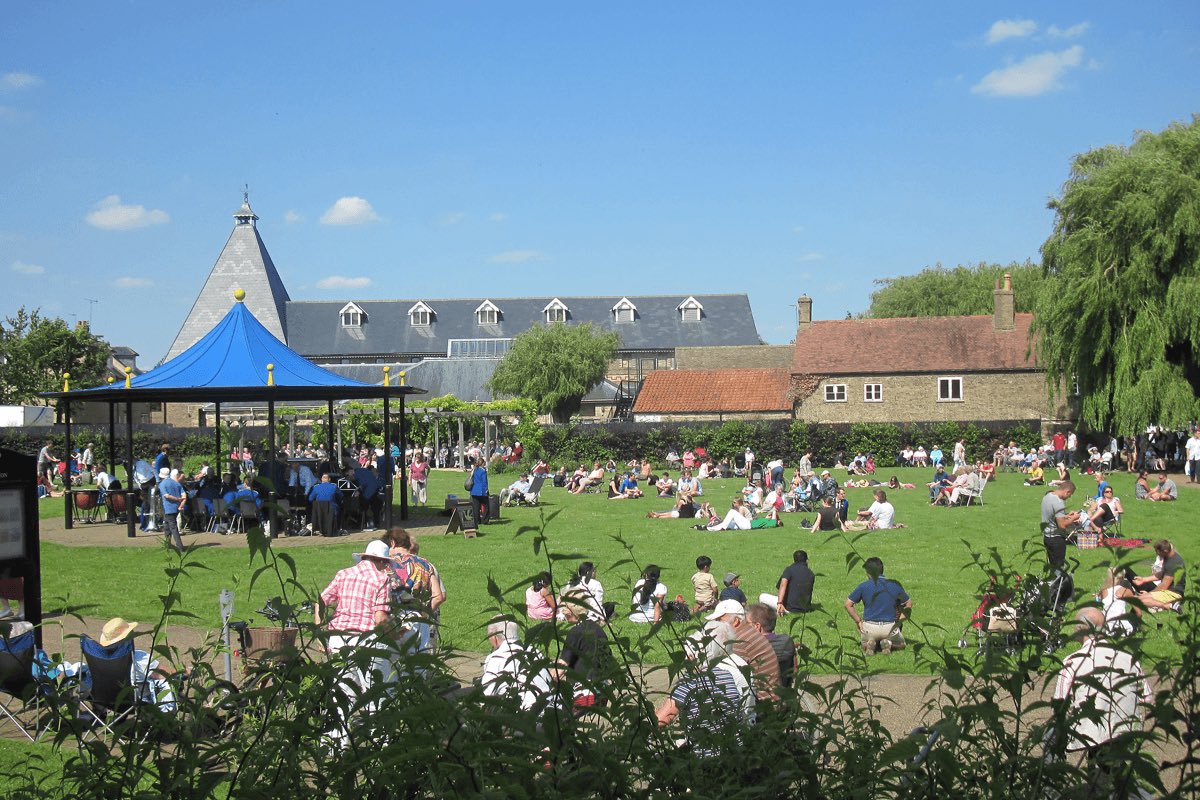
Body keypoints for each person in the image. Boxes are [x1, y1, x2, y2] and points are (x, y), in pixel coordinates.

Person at [1050, 607, 1150, 790]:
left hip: (1091, 731)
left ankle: (1050, 784)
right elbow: (1147, 698)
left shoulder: (1073, 662)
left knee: (1050, 736)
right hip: (1125, 728)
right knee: (1115, 770)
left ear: (1080, 629)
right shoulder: (1129, 657)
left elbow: (1060, 704)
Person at [315, 540, 393, 745]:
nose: (387, 567)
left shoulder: (343, 574)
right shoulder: (381, 580)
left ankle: (336, 745)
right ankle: (381, 743)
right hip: (368, 641)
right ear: (381, 561)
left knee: (342, 694)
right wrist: (394, 633)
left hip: (339, 638)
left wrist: (320, 632)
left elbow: (321, 601)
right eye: (386, 563)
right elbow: (380, 618)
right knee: (375, 693)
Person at [654, 623, 754, 758]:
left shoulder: (691, 680)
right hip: (731, 752)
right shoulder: (727, 676)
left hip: (703, 757)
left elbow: (661, 720)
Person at [90, 617, 176, 711]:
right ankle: (166, 717)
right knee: (164, 681)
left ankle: (100, 714)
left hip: (102, 699)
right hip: (132, 701)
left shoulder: (98, 657)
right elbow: (163, 673)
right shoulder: (138, 658)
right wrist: (188, 671)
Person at [705, 599, 780, 702]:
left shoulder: (739, 642)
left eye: (719, 620)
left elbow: (728, 676)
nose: (716, 625)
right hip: (772, 697)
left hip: (763, 704)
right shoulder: (748, 633)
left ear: (736, 621)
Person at [554, 595, 615, 714]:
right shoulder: (598, 629)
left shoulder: (575, 632)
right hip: (602, 690)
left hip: (584, 693)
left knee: (558, 716)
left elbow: (560, 669)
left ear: (570, 612)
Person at [386, 528, 444, 654]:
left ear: (393, 543)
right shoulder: (425, 564)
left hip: (393, 622)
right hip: (418, 622)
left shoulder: (387, 564)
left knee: (392, 666)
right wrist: (423, 614)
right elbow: (438, 596)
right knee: (418, 666)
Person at [480, 619, 553, 712]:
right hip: (550, 711)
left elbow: (488, 698)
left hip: (523, 715)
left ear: (494, 638)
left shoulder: (495, 658)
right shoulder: (535, 652)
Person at [844, 557, 912, 656]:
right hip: (889, 628)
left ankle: (869, 645)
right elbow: (909, 604)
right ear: (882, 569)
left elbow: (848, 604)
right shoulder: (894, 585)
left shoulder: (863, 586)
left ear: (867, 572)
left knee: (863, 638)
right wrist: (899, 621)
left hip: (870, 628)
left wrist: (858, 621)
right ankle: (888, 643)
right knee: (902, 644)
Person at [746, 603, 798, 689]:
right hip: (784, 693)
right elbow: (795, 670)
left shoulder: (751, 647)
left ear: (756, 626)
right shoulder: (787, 642)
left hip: (758, 697)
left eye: (746, 623)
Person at [1040, 481, 1081, 569]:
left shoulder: (1047, 496)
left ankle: (1052, 582)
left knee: (1052, 566)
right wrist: (1074, 518)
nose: (1068, 498)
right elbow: (1062, 525)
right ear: (1067, 491)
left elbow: (1053, 516)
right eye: (1069, 495)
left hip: (1047, 537)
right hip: (1056, 539)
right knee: (1058, 568)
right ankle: (1058, 582)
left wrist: (1066, 516)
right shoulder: (1058, 502)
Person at [1136, 539, 1185, 612]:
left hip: (1173, 593)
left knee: (1138, 600)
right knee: (1138, 598)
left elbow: (1164, 585)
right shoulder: (1168, 557)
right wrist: (1144, 579)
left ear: (1165, 551)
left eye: (1158, 552)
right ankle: (1170, 605)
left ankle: (1170, 605)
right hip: (1167, 591)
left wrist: (1149, 594)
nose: (1157, 554)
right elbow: (1162, 574)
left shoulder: (1173, 563)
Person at [1096, 568, 1139, 636]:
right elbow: (1139, 613)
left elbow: (1098, 603)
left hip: (1107, 629)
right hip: (1123, 629)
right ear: (1122, 577)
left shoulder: (1103, 591)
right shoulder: (1126, 591)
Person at [776, 550, 815, 615]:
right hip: (805, 609)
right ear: (806, 560)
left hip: (789, 608)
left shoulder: (789, 570)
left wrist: (780, 603)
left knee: (762, 596)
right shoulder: (811, 574)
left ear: (794, 559)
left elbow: (782, 585)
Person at [157, 468, 186, 552]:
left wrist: (177, 499)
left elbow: (166, 496)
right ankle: (168, 544)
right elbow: (184, 495)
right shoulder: (176, 483)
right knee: (166, 526)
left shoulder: (162, 484)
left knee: (173, 527)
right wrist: (181, 503)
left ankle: (180, 546)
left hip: (168, 508)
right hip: (176, 508)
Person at [467, 458, 489, 531]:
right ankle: (485, 521)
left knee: (476, 507)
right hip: (481, 491)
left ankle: (477, 521)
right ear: (482, 464)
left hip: (474, 491)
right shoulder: (483, 471)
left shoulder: (474, 470)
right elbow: (484, 482)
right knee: (486, 506)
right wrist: (486, 490)